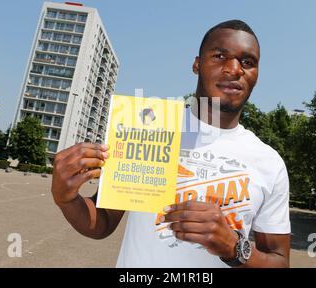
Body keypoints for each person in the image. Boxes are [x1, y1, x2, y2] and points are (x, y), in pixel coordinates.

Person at [51, 20, 291, 268]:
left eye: (247, 62)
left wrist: (234, 247)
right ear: (197, 64)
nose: (234, 69)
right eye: (220, 56)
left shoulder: (269, 162)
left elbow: (280, 262)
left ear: (256, 75)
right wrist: (66, 200)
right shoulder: (149, 129)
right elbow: (102, 222)